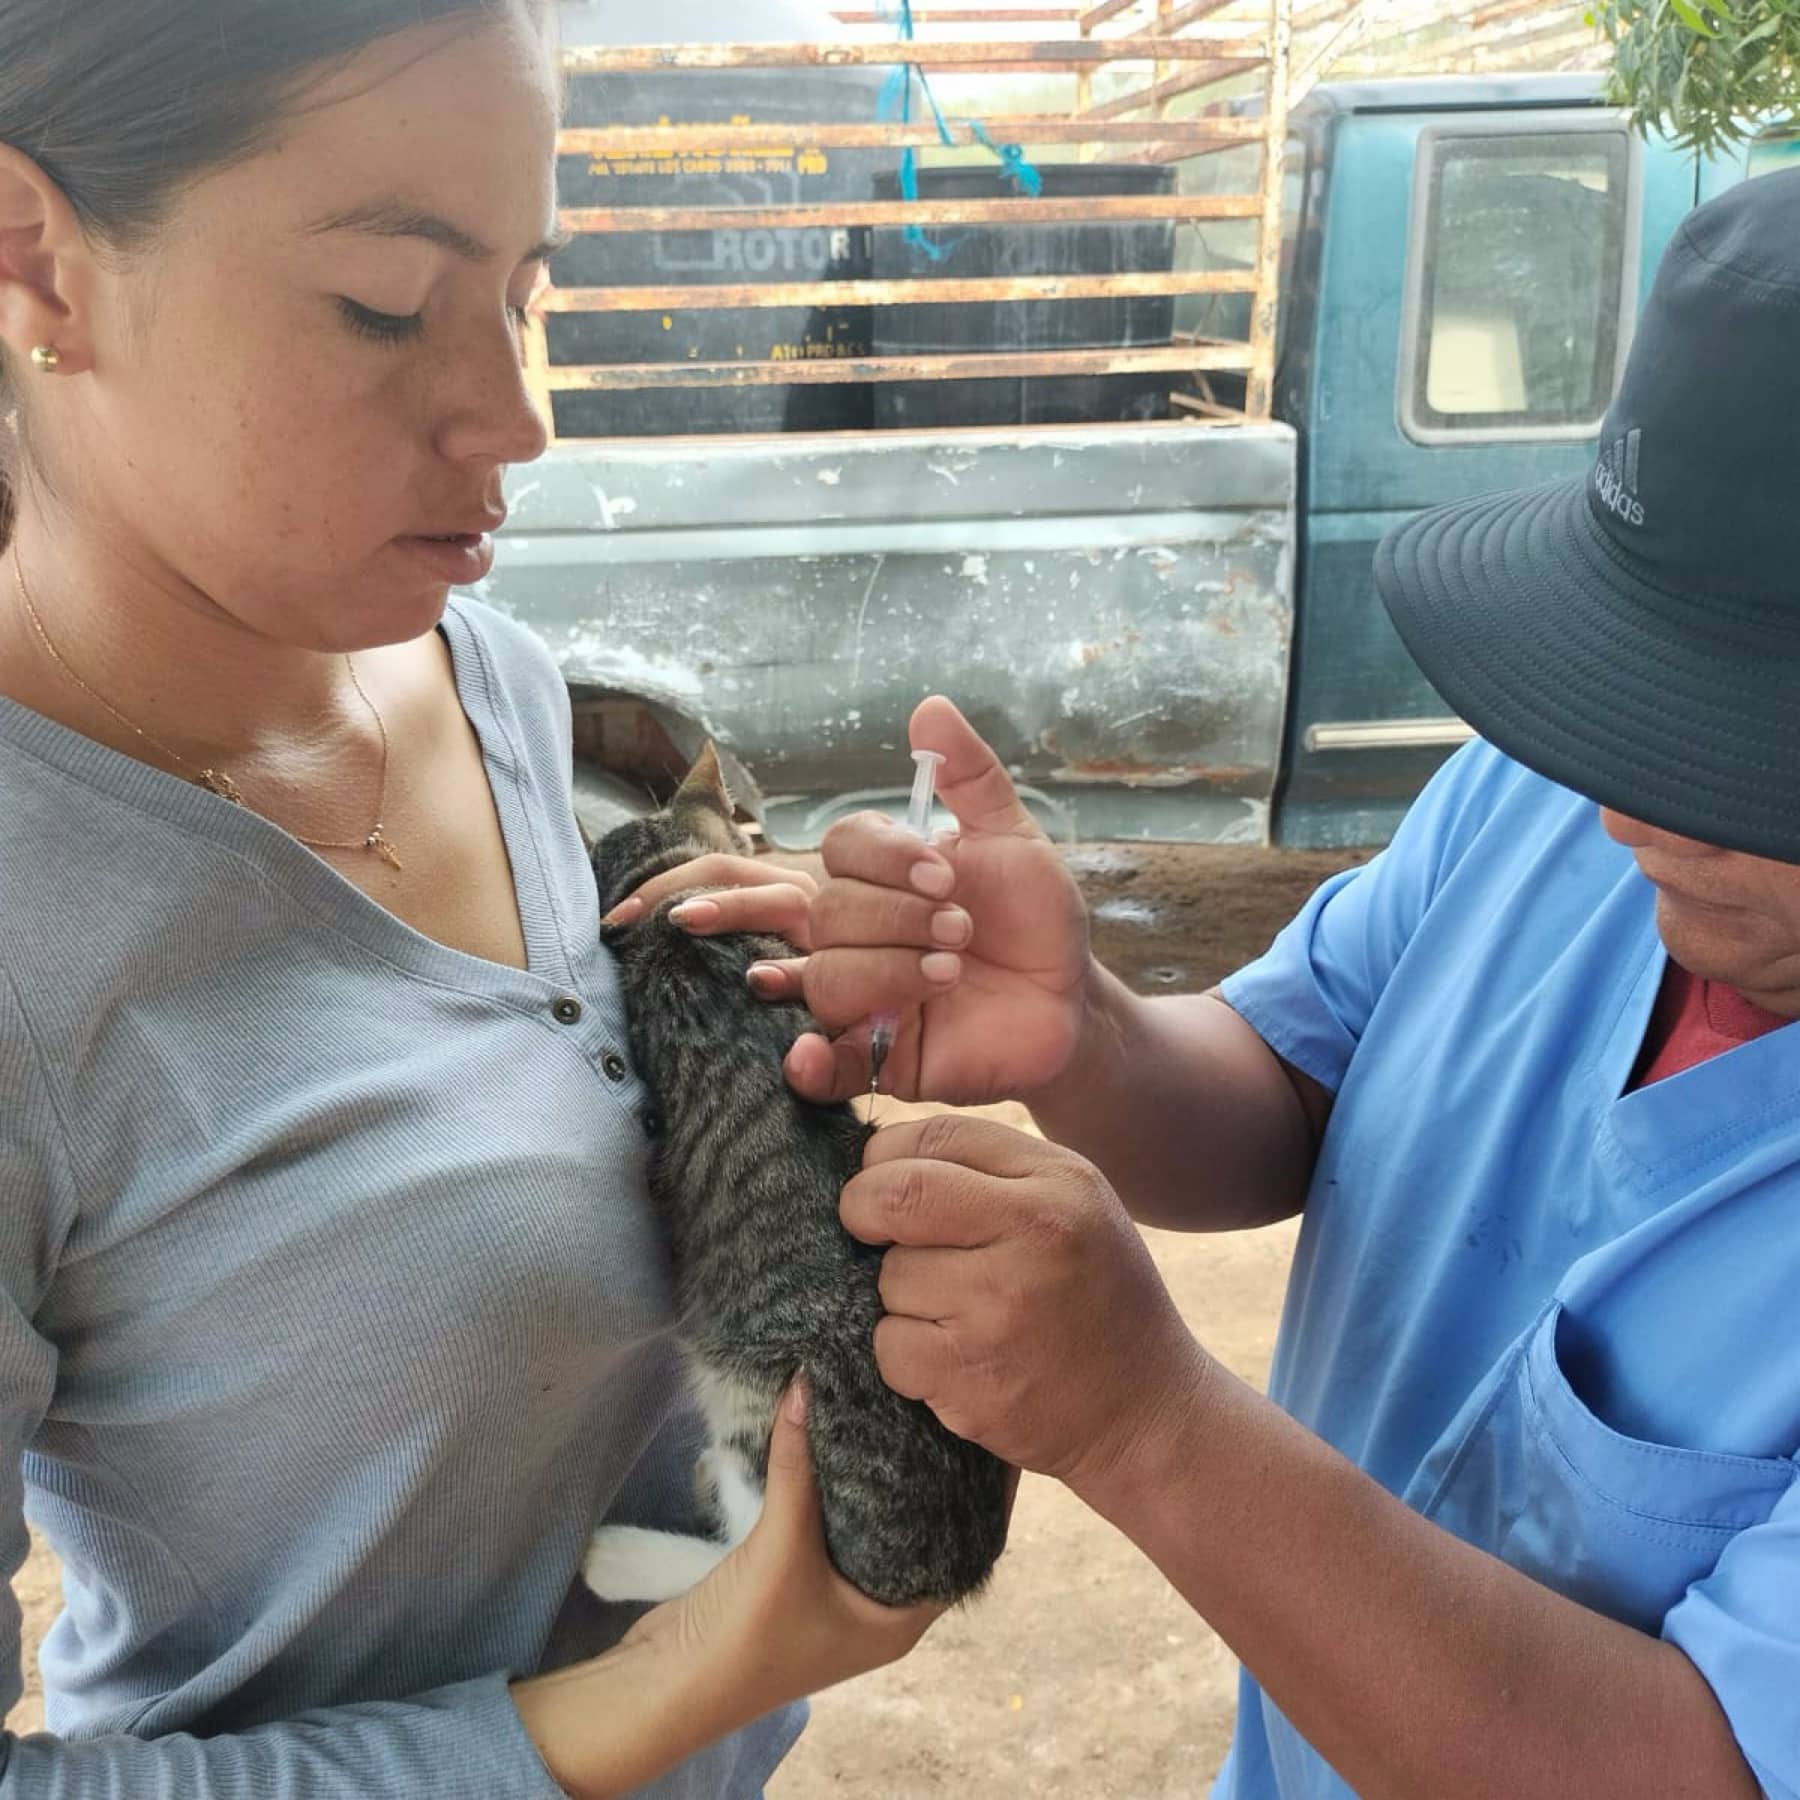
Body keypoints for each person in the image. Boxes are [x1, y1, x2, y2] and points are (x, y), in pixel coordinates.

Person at [649, 168, 1800, 1794]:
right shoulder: (1546, 793)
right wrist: (1085, 1033)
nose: (1623, 802)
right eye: (1625, 687)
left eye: (1739, 750)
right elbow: (1299, 1093)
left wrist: (1149, 1424)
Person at [0, 5, 935, 1795]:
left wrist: (772, 1031)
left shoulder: (488, 676)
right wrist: (666, 1690)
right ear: (37, 262)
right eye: (383, 301)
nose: (516, 417)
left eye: (524, 296)